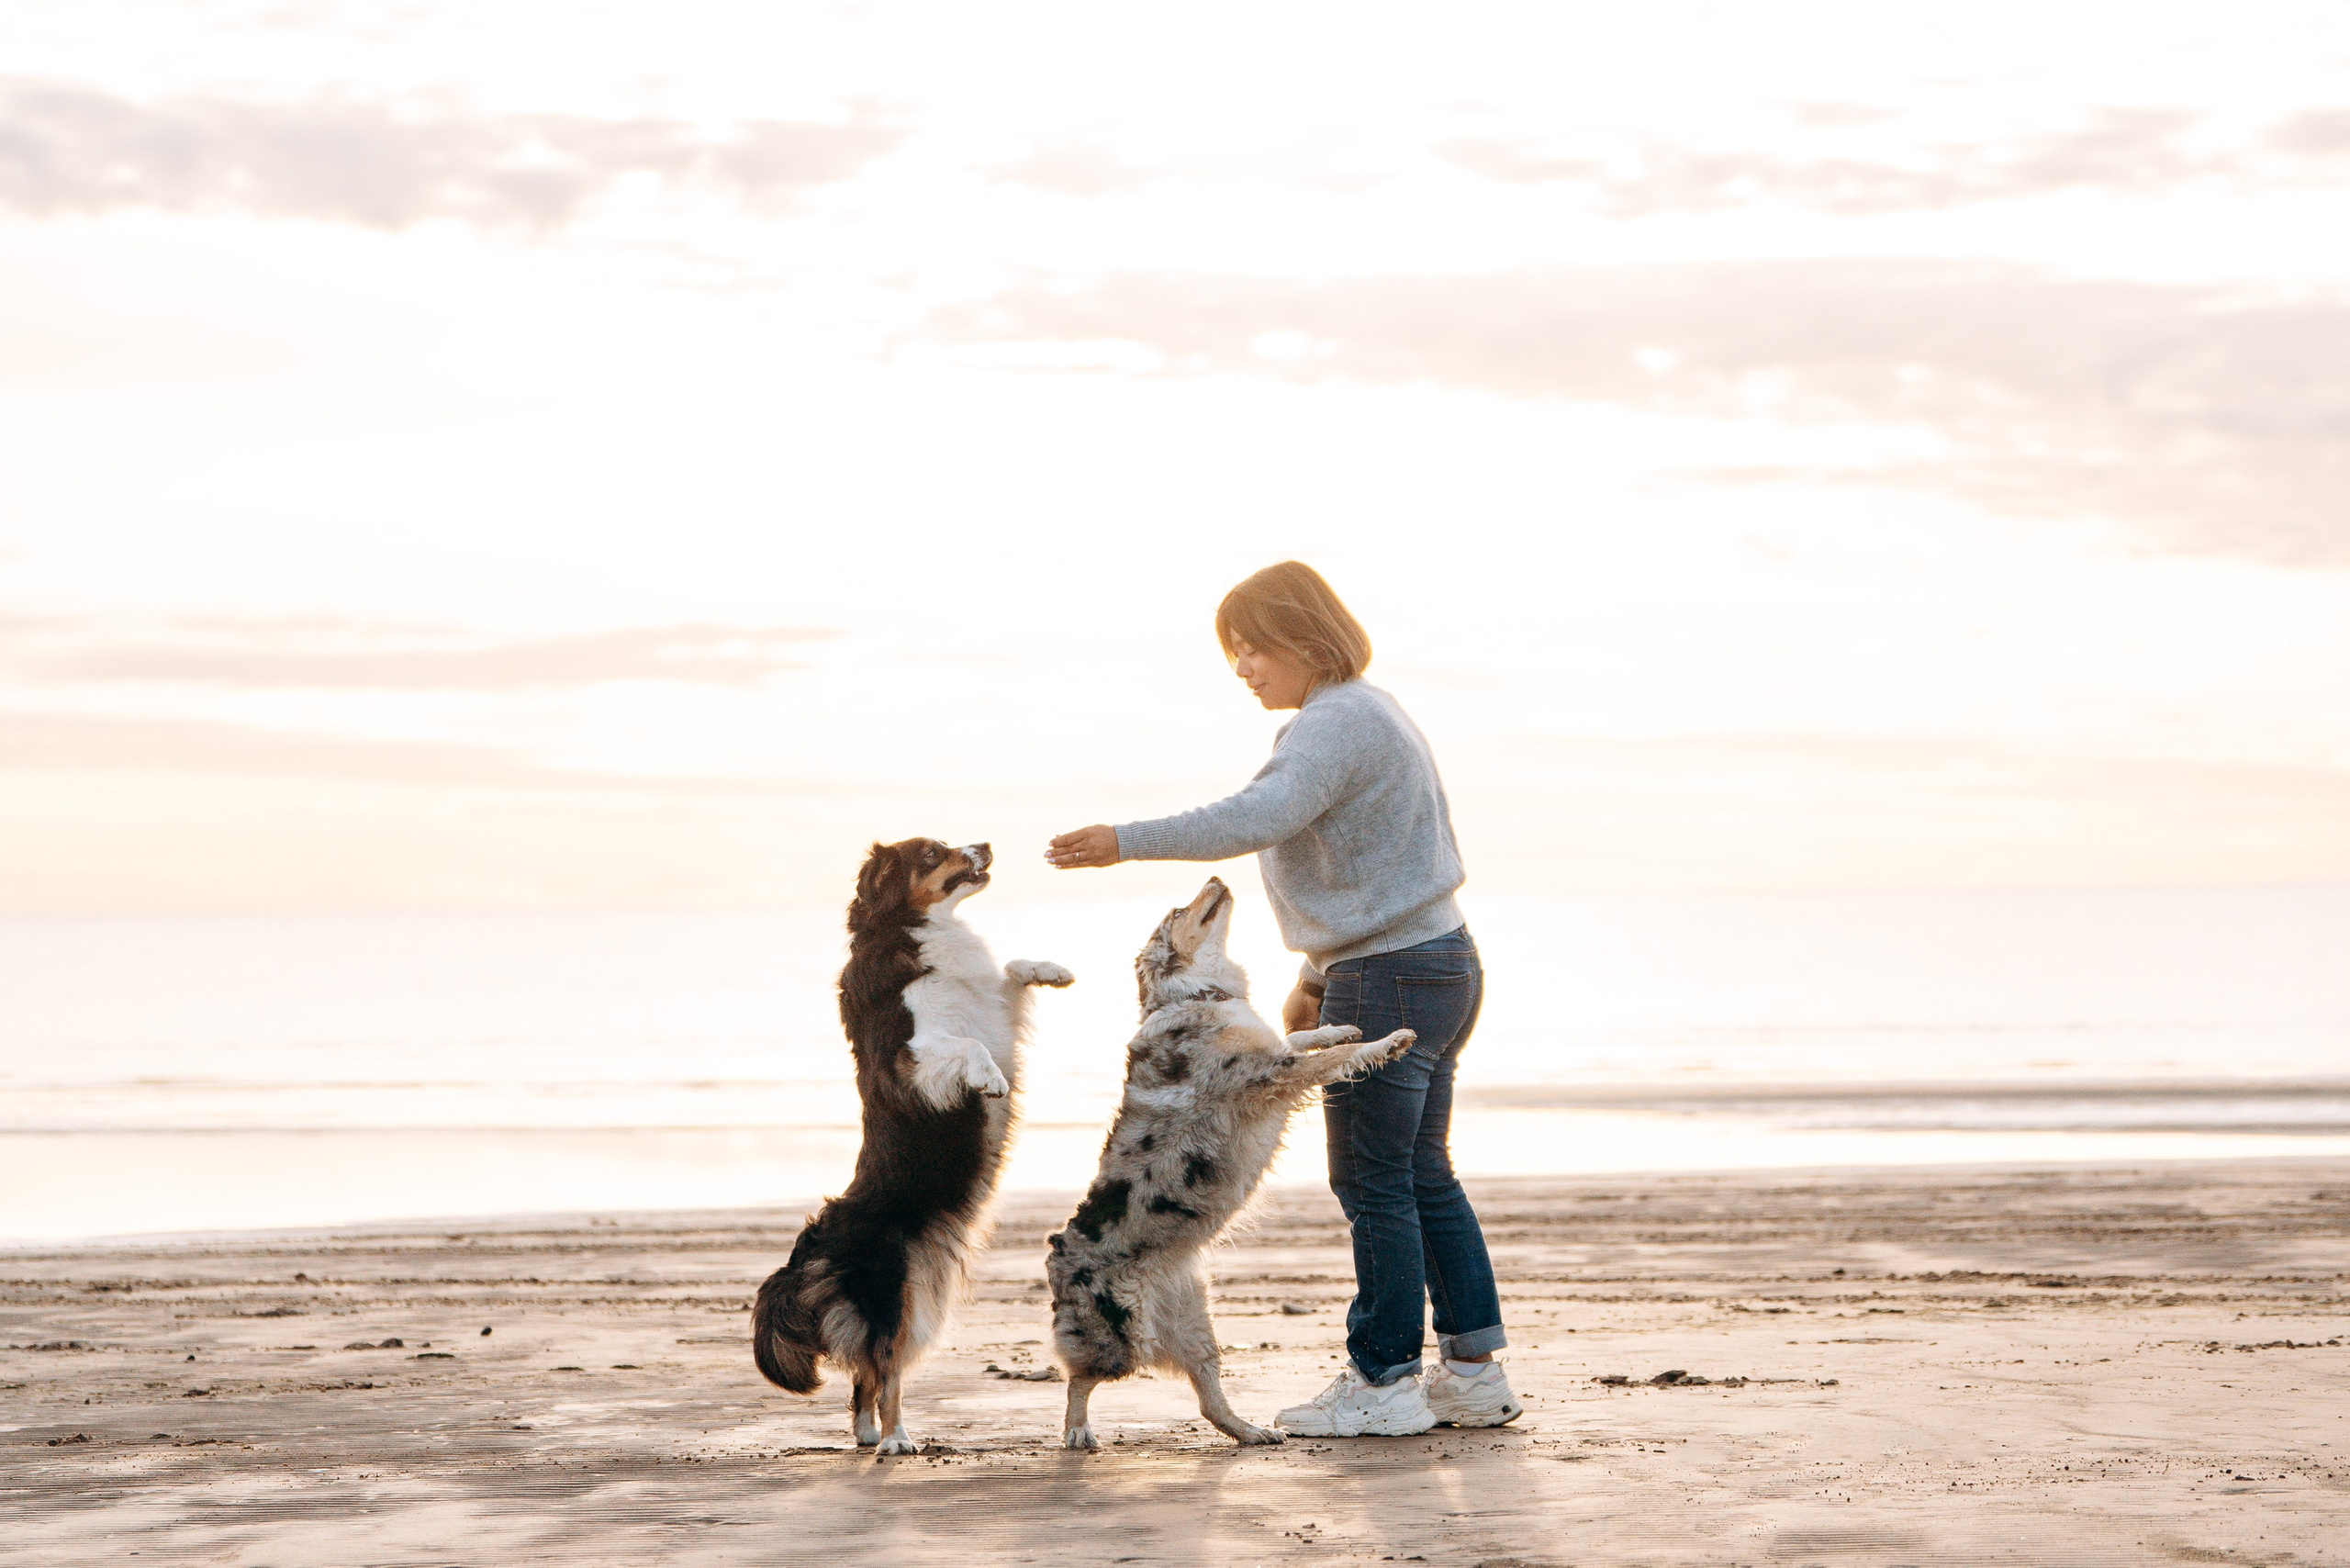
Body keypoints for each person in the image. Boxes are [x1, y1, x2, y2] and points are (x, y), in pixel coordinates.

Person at [1046, 561, 1521, 1437]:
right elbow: (1375, 858)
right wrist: (1313, 979)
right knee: (1421, 1173)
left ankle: (1382, 1381)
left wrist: (1125, 840)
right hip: (1438, 957)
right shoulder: (1371, 711)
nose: (1242, 669)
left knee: (1374, 1181)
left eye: (1252, 648)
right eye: (1234, 653)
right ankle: (1471, 1372)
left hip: (1393, 971)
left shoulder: (1330, 724)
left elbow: (1255, 819)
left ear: (1304, 637)